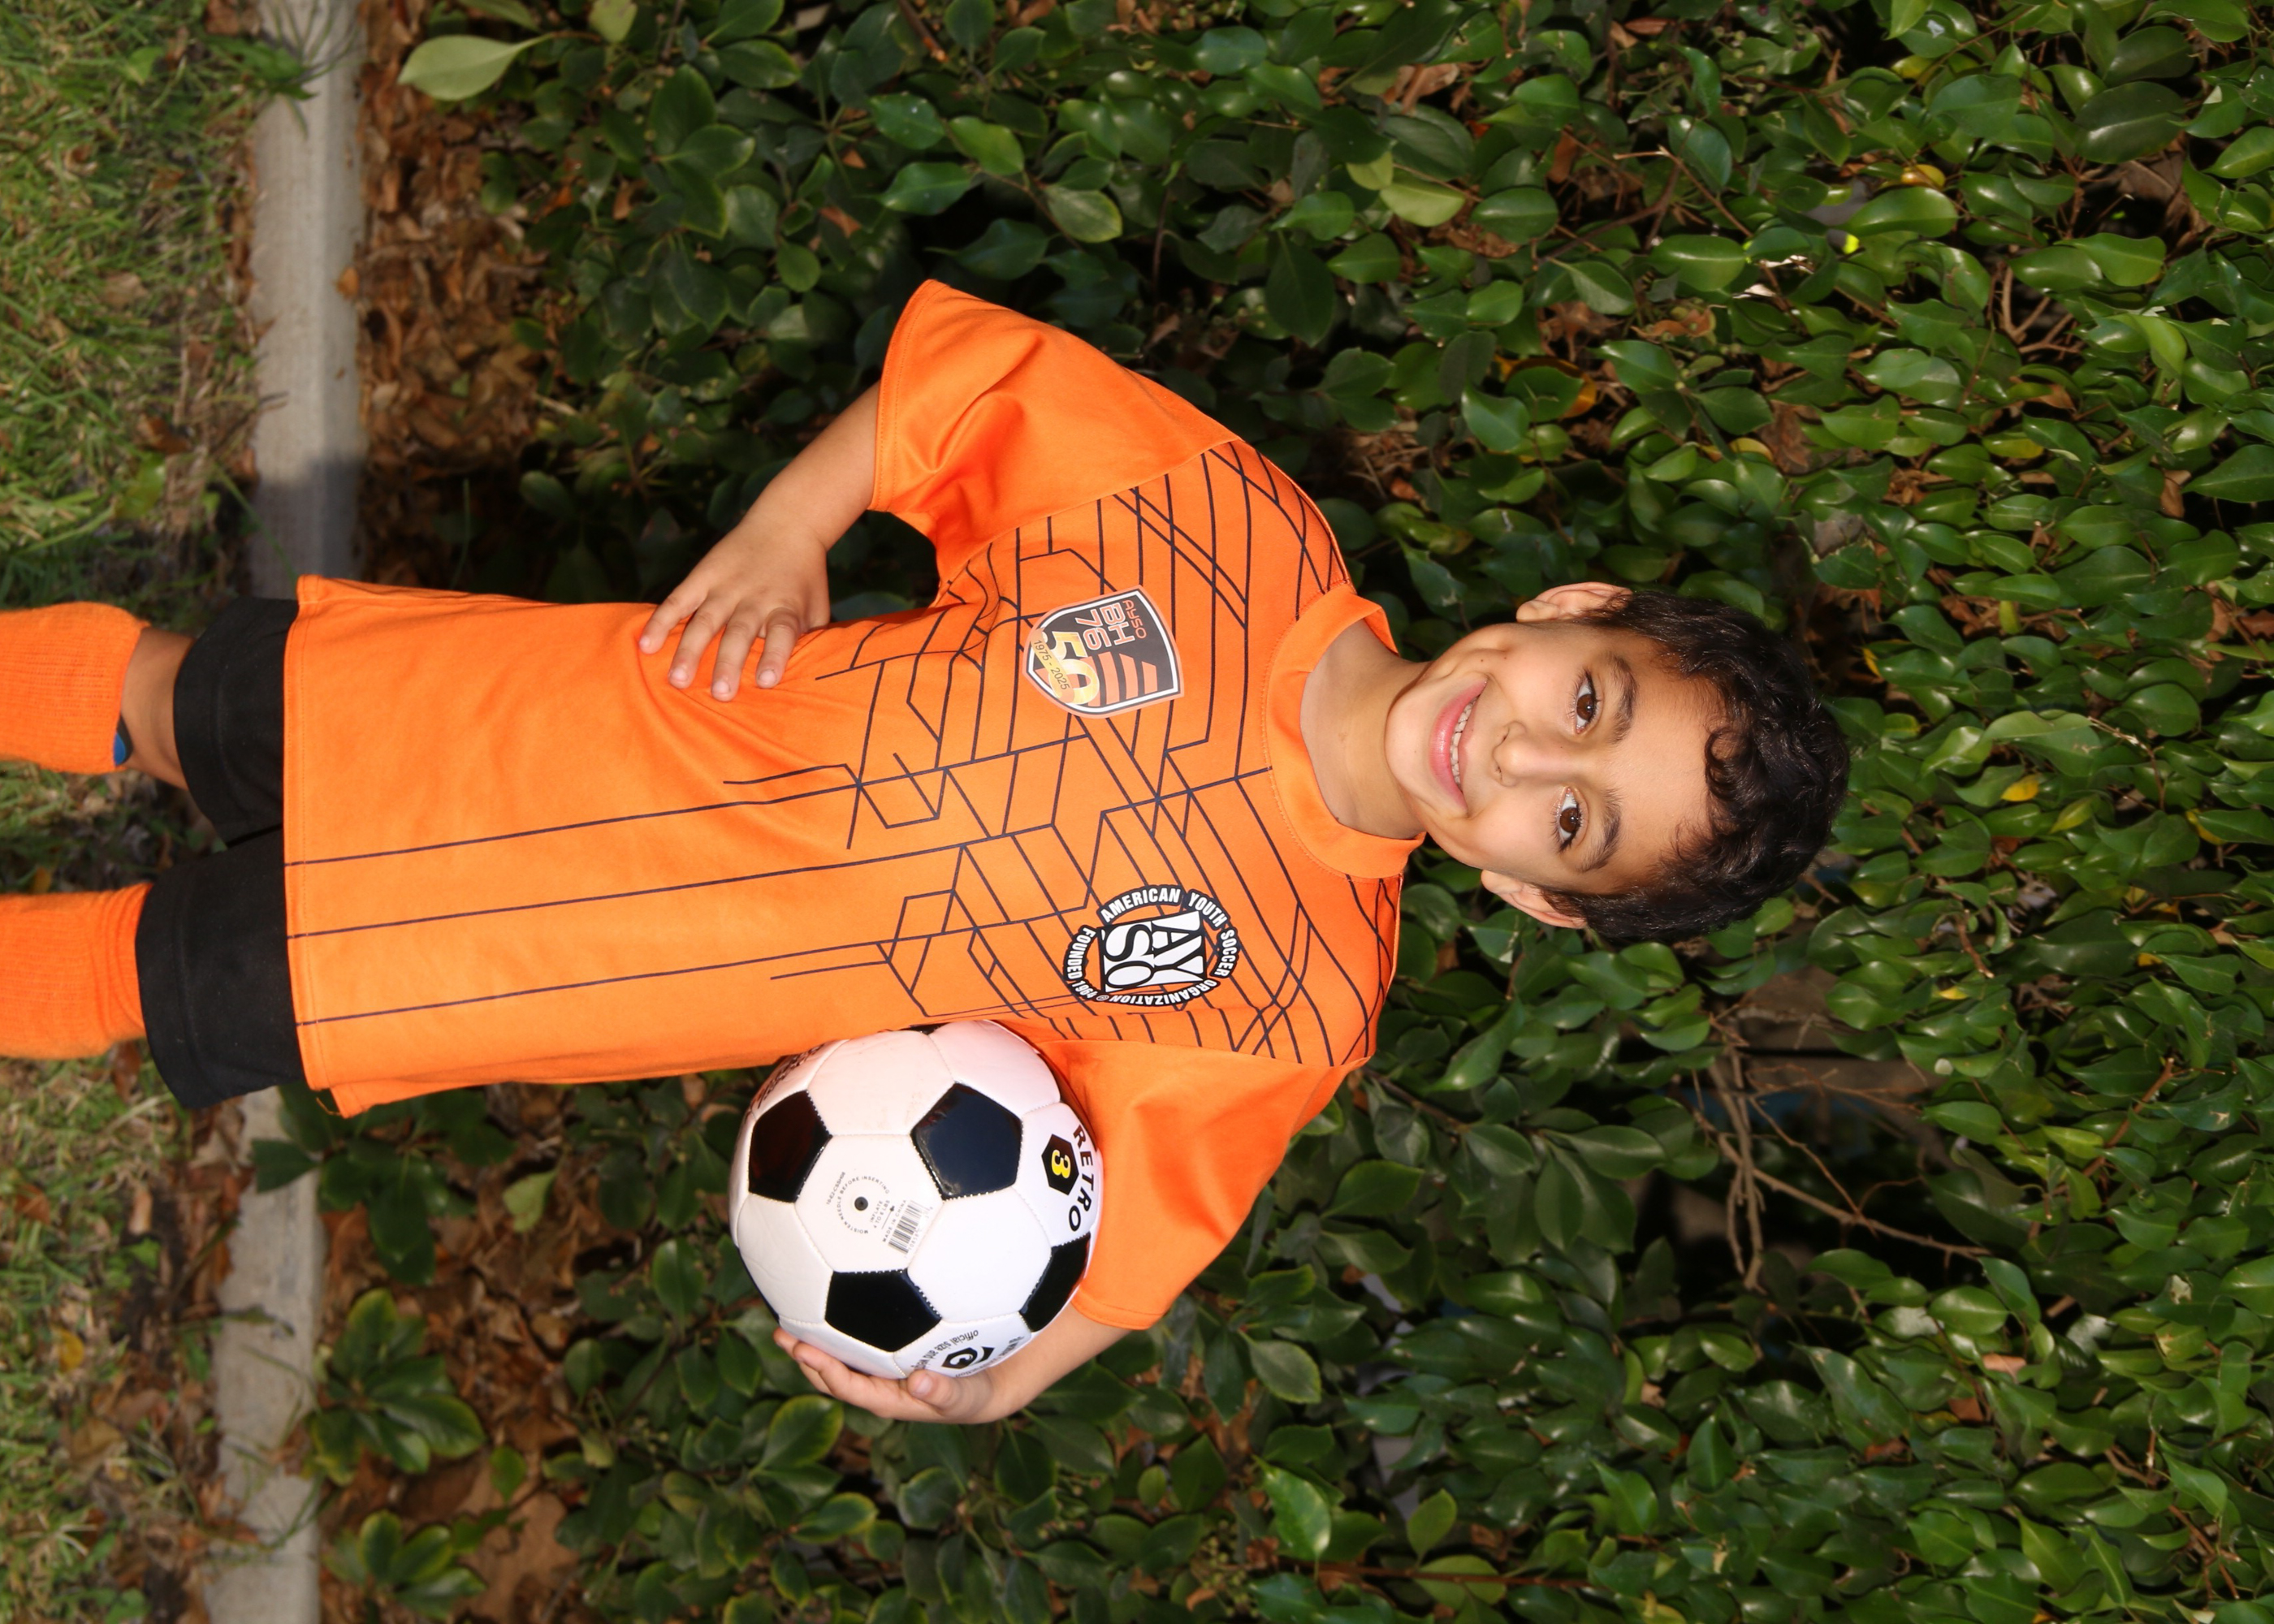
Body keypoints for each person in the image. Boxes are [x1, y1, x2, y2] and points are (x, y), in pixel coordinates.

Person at [0, 281, 1845, 1423]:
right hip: (537, 709)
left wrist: (985, 1382)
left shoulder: (1289, 1002)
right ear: (1568, 612)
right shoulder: (1230, 523)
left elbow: (1134, 1252)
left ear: (1531, 891)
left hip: (525, 959)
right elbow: (958, 401)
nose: (1519, 750)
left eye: (1571, 817)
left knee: (142, 975)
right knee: (169, 699)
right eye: (1587, 700)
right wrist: (790, 525)